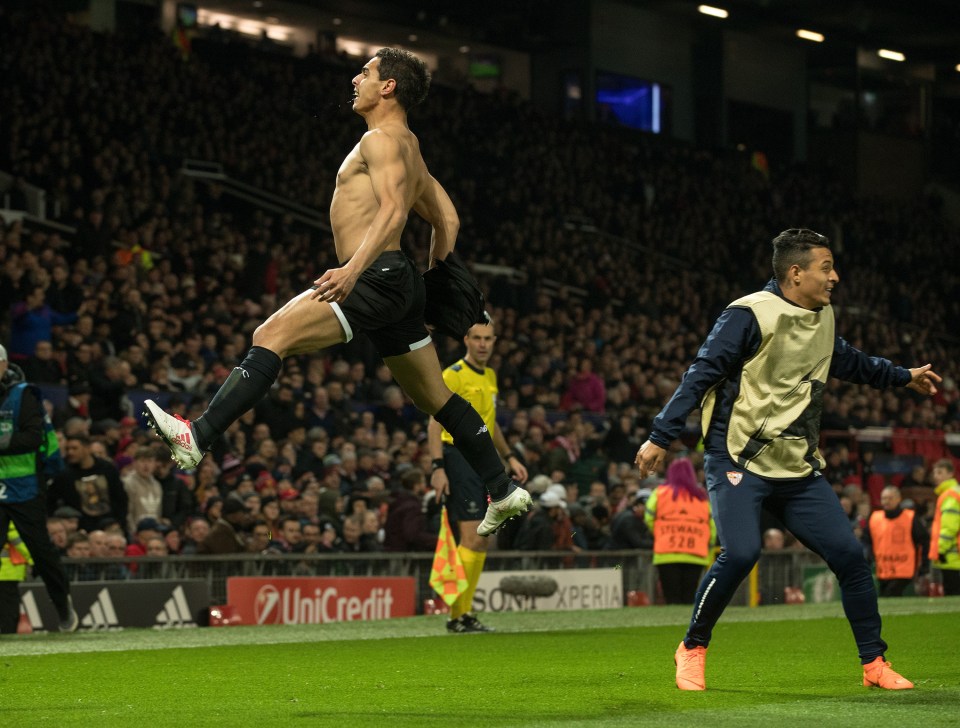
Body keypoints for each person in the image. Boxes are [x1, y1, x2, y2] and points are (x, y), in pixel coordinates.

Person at [142, 47, 530, 538]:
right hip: (398, 281)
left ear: (388, 86)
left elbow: (392, 211)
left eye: (365, 72)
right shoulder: (410, 146)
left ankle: (197, 436)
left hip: (375, 275)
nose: (356, 79)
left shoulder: (381, 140)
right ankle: (502, 485)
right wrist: (432, 280)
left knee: (270, 334)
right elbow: (447, 219)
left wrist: (353, 270)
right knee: (436, 397)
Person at [635, 229, 940, 691]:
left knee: (851, 559)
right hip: (739, 457)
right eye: (826, 267)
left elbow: (844, 360)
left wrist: (901, 376)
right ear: (795, 273)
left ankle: (874, 664)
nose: (834, 276)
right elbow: (701, 374)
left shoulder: (823, 316)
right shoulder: (748, 313)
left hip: (796, 466)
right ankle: (692, 647)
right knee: (741, 553)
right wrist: (661, 435)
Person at [428, 320, 528, 632]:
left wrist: (509, 455)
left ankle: (465, 613)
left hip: (482, 459)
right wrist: (437, 467)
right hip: (457, 457)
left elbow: (491, 421)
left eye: (488, 338)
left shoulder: (491, 376)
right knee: (471, 535)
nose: (483, 344)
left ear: (494, 341)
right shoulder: (452, 375)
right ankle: (455, 615)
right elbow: (434, 423)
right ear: (466, 340)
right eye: (477, 338)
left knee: (482, 540)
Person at [0, 344, 79, 631]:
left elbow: (33, 438)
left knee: (41, 552)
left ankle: (62, 607)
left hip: (25, 488)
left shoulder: (24, 395)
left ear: (3, 365)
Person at [644, 458, 716, 605]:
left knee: (672, 599)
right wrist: (708, 544)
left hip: (666, 553)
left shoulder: (660, 493)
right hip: (695, 553)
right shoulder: (701, 497)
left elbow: (649, 518)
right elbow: (712, 526)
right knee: (689, 599)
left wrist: (660, 533)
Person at [862, 485, 929, 597]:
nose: (886, 501)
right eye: (884, 498)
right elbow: (866, 540)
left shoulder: (910, 518)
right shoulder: (875, 518)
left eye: (890, 498)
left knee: (890, 595)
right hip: (883, 571)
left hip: (904, 571)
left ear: (899, 499)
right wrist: (868, 556)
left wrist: (924, 565)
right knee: (885, 600)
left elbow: (925, 541)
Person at [928, 459, 960, 595]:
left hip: (951, 556)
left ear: (951, 474)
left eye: (940, 472)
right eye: (935, 473)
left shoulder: (950, 495)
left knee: (953, 598)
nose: (936, 476)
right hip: (954, 554)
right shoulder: (953, 492)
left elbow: (949, 527)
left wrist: (940, 550)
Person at [0, 523, 31, 633]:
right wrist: (32, 558)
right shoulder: (9, 517)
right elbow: (16, 538)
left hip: (6, 572)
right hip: (7, 572)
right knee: (9, 611)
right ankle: (8, 635)